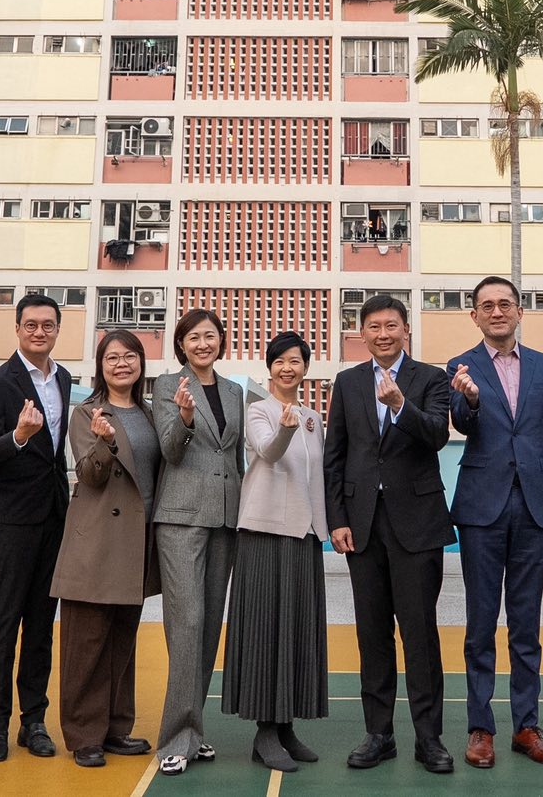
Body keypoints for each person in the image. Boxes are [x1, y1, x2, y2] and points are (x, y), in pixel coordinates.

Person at [323, 294, 456, 775]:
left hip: (416, 523)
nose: (383, 334)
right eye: (374, 327)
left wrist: (400, 404)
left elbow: (436, 435)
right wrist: (337, 518)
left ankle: (429, 737)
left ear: (406, 330)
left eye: (391, 326)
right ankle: (379, 733)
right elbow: (335, 455)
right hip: (361, 524)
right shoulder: (348, 381)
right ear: (363, 334)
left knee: (420, 633)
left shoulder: (431, 378)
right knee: (372, 633)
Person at [444, 277, 543, 768]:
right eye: (486, 305)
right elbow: (461, 422)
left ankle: (527, 726)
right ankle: (480, 728)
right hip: (482, 508)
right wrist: (471, 399)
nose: (497, 312)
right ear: (474, 315)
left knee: (526, 625)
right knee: (480, 624)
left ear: (520, 312)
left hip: (536, 506)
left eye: (505, 304)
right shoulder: (461, 365)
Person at [50, 330, 160, 768]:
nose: (121, 364)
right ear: (101, 365)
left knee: (121, 641)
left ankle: (116, 727)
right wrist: (104, 440)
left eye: (129, 357)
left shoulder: (151, 413)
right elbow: (90, 476)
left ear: (140, 364)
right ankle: (83, 735)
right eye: (112, 357)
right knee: (86, 643)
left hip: (137, 540)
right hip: (96, 542)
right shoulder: (87, 412)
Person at [0, 292, 73, 762]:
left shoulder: (64, 379)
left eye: (47, 325)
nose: (39, 332)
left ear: (57, 329)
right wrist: (18, 436)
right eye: (30, 324)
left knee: (40, 627)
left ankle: (33, 720)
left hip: (54, 518)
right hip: (10, 521)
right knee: (4, 622)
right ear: (17, 329)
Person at [223, 331, 329, 772]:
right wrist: (284, 430)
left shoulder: (312, 417)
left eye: (297, 361)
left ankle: (285, 726)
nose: (289, 368)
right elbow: (267, 453)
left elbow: (317, 477)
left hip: (303, 536)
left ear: (306, 369)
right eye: (281, 360)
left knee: (298, 629)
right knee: (267, 629)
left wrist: (323, 529)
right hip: (265, 533)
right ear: (270, 368)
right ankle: (264, 733)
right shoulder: (258, 411)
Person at [151, 308, 246, 775]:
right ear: (181, 344)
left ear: (221, 341)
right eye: (194, 337)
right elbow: (169, 449)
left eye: (210, 336)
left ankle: (194, 729)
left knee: (208, 628)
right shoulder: (169, 386)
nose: (203, 343)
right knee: (186, 623)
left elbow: (238, 458)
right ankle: (175, 737)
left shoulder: (234, 391)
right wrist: (185, 419)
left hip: (226, 518)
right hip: (182, 517)